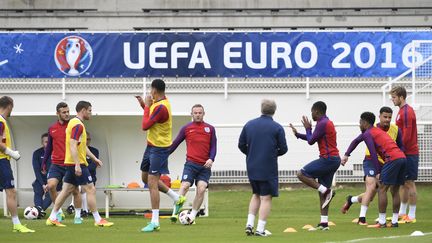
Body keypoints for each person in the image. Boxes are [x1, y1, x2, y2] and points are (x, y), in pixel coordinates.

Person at [46, 101, 113, 227]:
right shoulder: (78, 125)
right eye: (90, 110)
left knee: (66, 191)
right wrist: (77, 164)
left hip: (71, 163)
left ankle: (52, 217)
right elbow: (72, 145)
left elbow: (81, 146)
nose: (91, 113)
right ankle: (98, 220)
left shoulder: (73, 122)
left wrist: (94, 158)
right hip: (77, 164)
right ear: (83, 110)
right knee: (90, 189)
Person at [342, 112, 406, 228]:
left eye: (360, 122)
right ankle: (395, 222)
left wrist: (377, 172)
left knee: (382, 189)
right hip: (402, 157)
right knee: (395, 190)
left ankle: (382, 222)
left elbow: (372, 152)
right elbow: (356, 141)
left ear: (365, 123)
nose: (359, 124)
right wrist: (346, 154)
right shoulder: (375, 131)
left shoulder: (368, 134)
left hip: (392, 159)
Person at [136, 79, 184, 232]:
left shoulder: (161, 107)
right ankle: (177, 198)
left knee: (151, 182)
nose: (150, 93)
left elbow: (145, 126)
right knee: (145, 178)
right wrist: (144, 105)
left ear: (154, 91)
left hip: (159, 149)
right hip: (150, 146)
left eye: (151, 90)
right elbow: (151, 116)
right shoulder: (159, 102)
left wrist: (147, 107)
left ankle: (155, 221)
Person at [239, 99, 288, 237]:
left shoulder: (249, 125)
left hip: (252, 165)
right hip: (268, 167)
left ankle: (249, 224)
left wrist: (252, 153)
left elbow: (241, 145)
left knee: (255, 194)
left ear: (261, 109)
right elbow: (283, 149)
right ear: (274, 110)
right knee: (266, 198)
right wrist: (271, 154)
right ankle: (260, 229)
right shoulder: (277, 127)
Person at [289, 101, 340, 231]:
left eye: (312, 112)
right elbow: (313, 137)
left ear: (316, 111)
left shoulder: (323, 123)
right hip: (333, 160)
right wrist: (298, 135)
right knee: (322, 192)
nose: (311, 114)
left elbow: (311, 141)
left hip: (328, 159)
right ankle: (324, 223)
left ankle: (327, 191)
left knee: (301, 174)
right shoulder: (324, 122)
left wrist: (307, 128)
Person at [169, 104, 217, 224]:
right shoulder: (186, 128)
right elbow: (175, 143)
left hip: (205, 166)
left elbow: (214, 146)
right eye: (195, 113)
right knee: (184, 186)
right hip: (190, 164)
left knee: (201, 189)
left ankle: (192, 216)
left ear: (203, 114)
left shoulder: (210, 129)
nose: (197, 115)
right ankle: (175, 212)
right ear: (191, 114)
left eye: (200, 113)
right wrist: (164, 155)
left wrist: (211, 159)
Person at [42, 102, 82, 223]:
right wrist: (44, 162)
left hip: (69, 163)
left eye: (68, 112)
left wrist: (77, 163)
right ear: (57, 113)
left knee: (75, 190)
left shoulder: (73, 125)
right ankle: (58, 212)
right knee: (51, 186)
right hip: (56, 164)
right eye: (64, 112)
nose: (67, 114)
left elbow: (79, 145)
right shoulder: (52, 128)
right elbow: (49, 147)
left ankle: (78, 216)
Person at [0, 96, 35, 233]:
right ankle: (16, 224)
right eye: (12, 107)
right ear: (9, 106)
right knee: (11, 192)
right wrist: (11, 152)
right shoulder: (1, 121)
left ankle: (17, 224)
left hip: (3, 160)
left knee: (11, 192)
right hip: (2, 160)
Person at [390, 86, 419, 223]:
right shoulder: (401, 111)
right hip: (404, 152)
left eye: (394, 97)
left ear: (401, 97)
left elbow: (406, 135)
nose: (392, 100)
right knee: (403, 183)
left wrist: (399, 149)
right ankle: (402, 212)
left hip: (409, 153)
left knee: (410, 183)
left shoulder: (407, 112)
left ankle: (412, 216)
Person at [68, 131, 99, 217]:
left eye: (89, 139)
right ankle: (83, 210)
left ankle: (73, 206)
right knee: (77, 186)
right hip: (77, 175)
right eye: (86, 139)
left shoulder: (94, 151)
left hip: (90, 177)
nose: (87, 141)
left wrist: (82, 170)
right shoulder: (76, 150)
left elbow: (93, 166)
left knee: (81, 187)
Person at [32, 133, 52, 217]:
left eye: (49, 142)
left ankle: (38, 212)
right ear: (42, 142)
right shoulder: (37, 153)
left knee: (50, 195)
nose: (48, 144)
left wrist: (48, 183)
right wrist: (43, 184)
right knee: (37, 190)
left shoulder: (56, 153)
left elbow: (55, 169)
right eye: (46, 142)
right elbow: (36, 170)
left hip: (52, 179)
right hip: (40, 179)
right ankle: (38, 211)